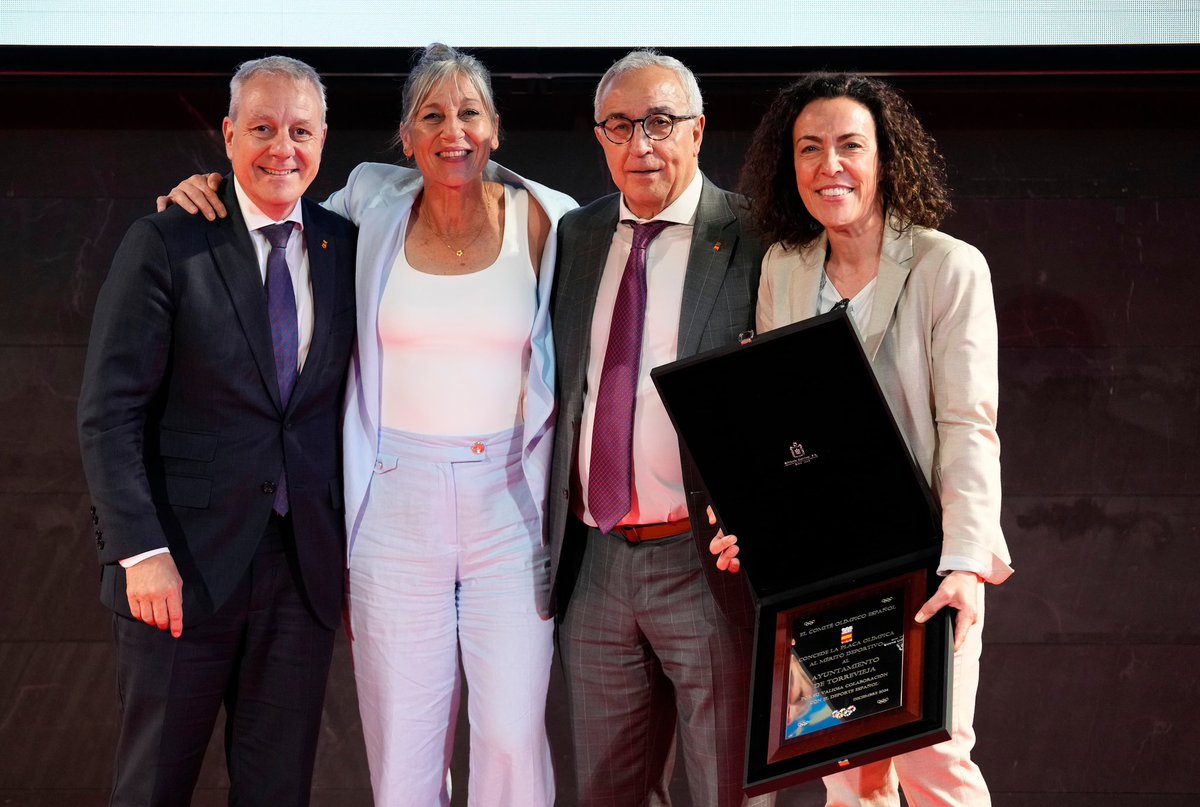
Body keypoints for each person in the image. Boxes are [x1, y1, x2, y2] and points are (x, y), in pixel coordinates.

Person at [161, 44, 576, 807]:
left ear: (496, 128)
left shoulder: (548, 221)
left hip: (509, 504)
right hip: (393, 502)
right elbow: (274, 202)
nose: (454, 131)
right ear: (406, 137)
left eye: (470, 113)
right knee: (403, 740)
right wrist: (207, 187)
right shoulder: (366, 212)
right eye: (433, 116)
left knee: (514, 737)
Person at [713, 72, 1014, 806]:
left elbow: (970, 425)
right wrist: (748, 517)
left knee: (934, 763)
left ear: (886, 158)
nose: (829, 165)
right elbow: (775, 419)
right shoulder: (785, 268)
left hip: (926, 558)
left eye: (850, 145)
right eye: (809, 148)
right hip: (823, 561)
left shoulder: (949, 266)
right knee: (851, 778)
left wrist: (966, 563)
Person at [78, 55, 356, 805]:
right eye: (262, 128)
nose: (282, 148)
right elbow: (109, 411)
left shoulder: (345, 248)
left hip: (300, 576)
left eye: (300, 130)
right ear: (229, 135)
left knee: (277, 792)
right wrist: (141, 552)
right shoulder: (169, 239)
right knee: (152, 786)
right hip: (178, 574)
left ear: (323, 139)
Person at [547, 50, 770, 807]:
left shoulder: (755, 234)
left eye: (661, 122)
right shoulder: (574, 236)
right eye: (620, 126)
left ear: (698, 131)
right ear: (600, 137)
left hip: (705, 561)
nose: (640, 144)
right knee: (607, 789)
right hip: (597, 561)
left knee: (727, 790)